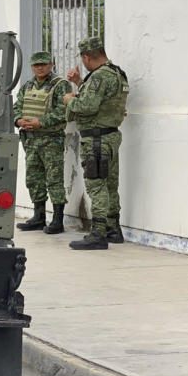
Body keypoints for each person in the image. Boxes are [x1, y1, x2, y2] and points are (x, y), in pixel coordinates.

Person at [63, 37, 128, 250]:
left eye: (83, 59)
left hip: (96, 140)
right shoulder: (117, 73)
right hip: (110, 136)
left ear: (87, 56)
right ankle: (113, 229)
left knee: (96, 184)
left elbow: (88, 106)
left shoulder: (99, 76)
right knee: (110, 184)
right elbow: (104, 99)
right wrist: (81, 83)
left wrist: (70, 100)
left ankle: (98, 234)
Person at [14, 51, 72, 234]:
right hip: (30, 141)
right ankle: (38, 217)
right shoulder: (27, 86)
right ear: (31, 66)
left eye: (43, 64)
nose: (39, 68)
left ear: (51, 65)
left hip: (50, 140)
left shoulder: (60, 85)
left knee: (54, 180)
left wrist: (41, 122)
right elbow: (17, 106)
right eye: (36, 65)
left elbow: (64, 111)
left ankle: (57, 220)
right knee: (34, 179)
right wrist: (18, 121)